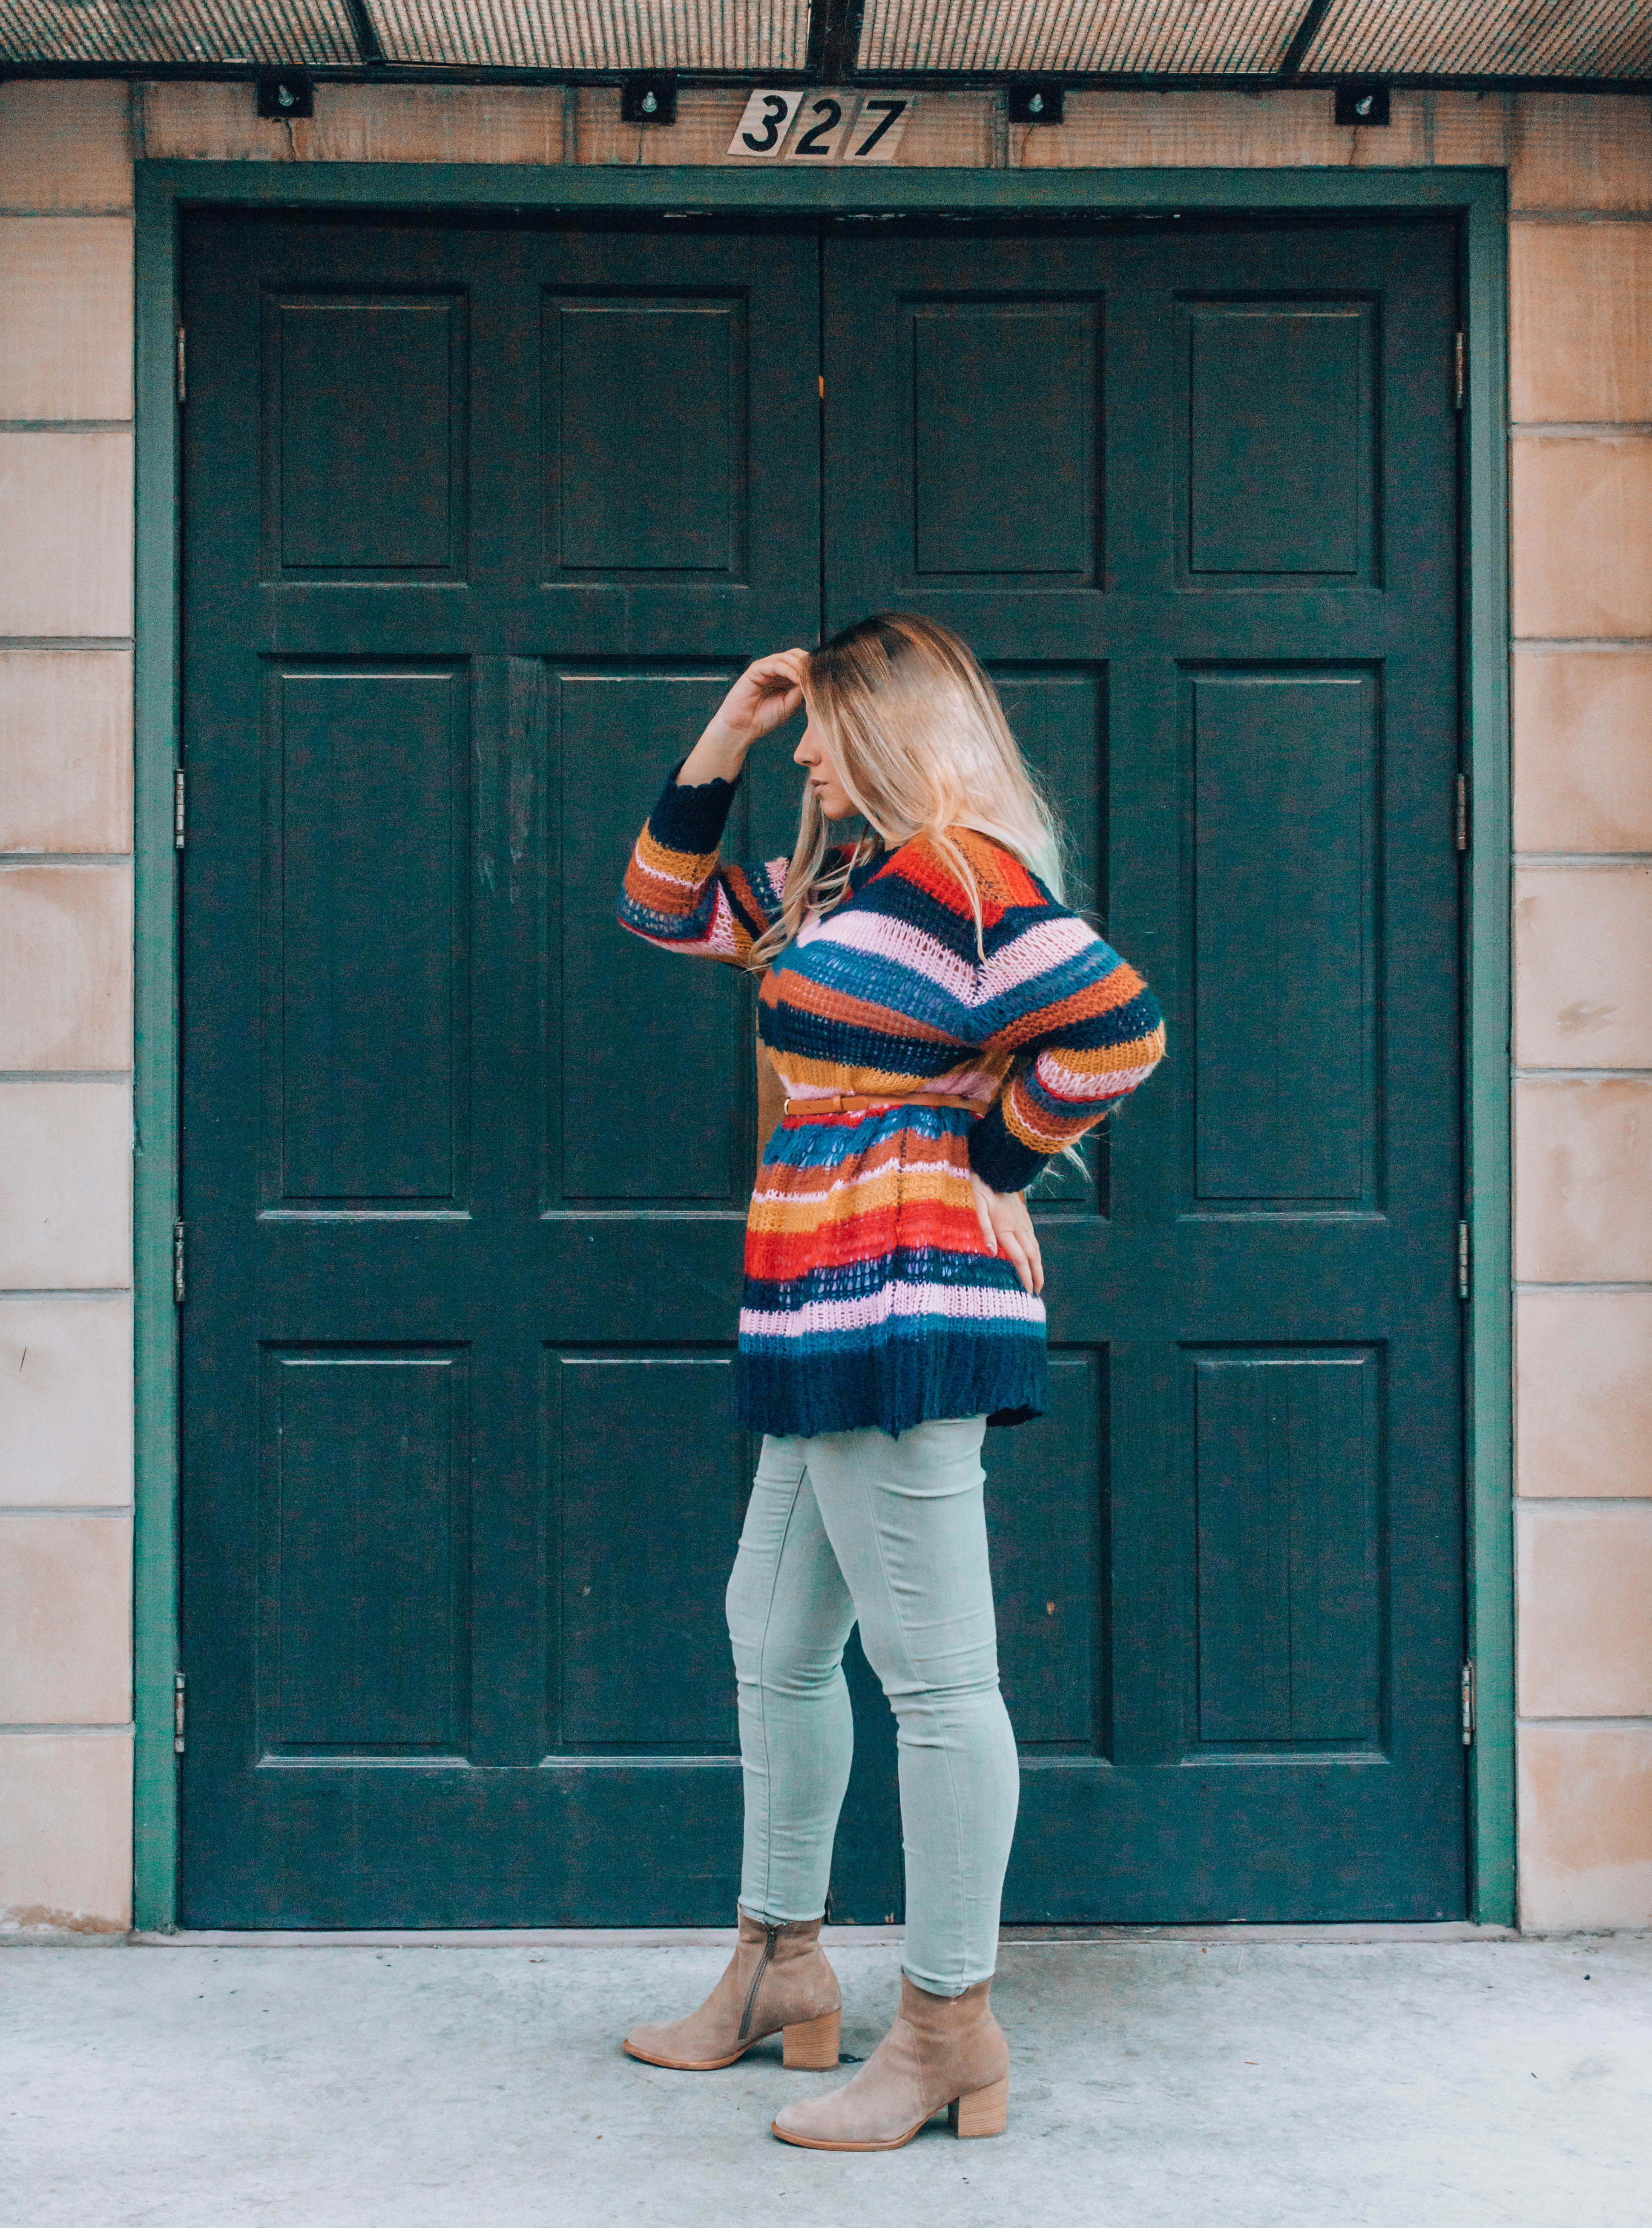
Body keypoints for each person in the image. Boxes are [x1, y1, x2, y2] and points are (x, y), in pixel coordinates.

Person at [615, 613, 1164, 2151]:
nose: (802, 751)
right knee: (773, 1635)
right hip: (814, 1305)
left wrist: (998, 1154)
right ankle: (781, 1966)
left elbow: (1119, 1030)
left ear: (895, 731)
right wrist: (723, 728)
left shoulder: (967, 874)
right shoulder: (848, 882)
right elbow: (664, 913)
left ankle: (945, 2029)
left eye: (817, 728)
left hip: (902, 1302)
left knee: (938, 1685)